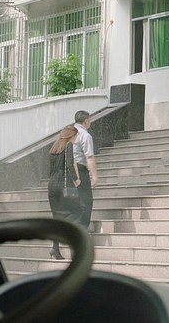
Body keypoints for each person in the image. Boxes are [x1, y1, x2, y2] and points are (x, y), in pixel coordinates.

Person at [47, 124, 82, 259]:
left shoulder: (54, 148)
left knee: (58, 218)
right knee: (76, 213)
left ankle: (55, 248)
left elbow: (50, 170)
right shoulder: (68, 146)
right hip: (63, 185)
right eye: (76, 136)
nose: (76, 139)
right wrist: (76, 180)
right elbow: (69, 164)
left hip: (52, 186)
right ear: (71, 135)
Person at [73, 110, 99, 229]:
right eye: (90, 120)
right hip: (79, 169)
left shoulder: (69, 133)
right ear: (86, 121)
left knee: (73, 200)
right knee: (86, 200)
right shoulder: (85, 135)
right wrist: (94, 176)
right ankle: (82, 229)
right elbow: (89, 157)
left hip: (66, 170)